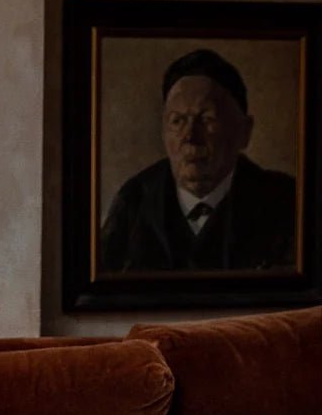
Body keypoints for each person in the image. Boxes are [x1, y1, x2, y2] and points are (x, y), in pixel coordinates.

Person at [99, 48, 297, 274]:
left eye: (206, 119)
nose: (190, 137)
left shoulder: (286, 203)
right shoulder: (134, 202)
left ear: (244, 132)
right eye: (177, 121)